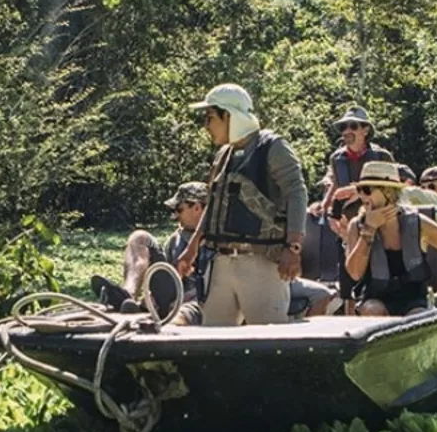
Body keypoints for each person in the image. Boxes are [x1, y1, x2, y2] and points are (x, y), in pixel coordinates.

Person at [177, 83, 308, 325]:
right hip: (221, 264)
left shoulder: (273, 147)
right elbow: (215, 203)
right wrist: (193, 247)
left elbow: (296, 193)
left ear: (229, 115)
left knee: (269, 344)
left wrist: (293, 247)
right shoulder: (224, 155)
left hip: (261, 264)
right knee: (212, 344)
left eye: (210, 117)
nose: (206, 126)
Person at [346, 162, 437, 316]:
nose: (362, 196)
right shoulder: (356, 226)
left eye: (367, 190)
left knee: (417, 316)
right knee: (372, 310)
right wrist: (369, 230)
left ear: (388, 192)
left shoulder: (417, 223)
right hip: (375, 299)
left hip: (414, 300)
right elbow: (354, 273)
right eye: (359, 190)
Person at [90, 181, 212, 318]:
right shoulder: (176, 239)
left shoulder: (222, 242)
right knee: (139, 237)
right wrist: (151, 297)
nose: (175, 216)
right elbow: (166, 275)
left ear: (196, 208)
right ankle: (127, 295)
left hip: (200, 302)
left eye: (179, 210)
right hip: (173, 295)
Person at [314, 106, 395, 220]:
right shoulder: (336, 159)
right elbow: (337, 184)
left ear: (365, 130)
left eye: (353, 126)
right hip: (346, 223)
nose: (347, 131)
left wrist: (358, 191)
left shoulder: (382, 156)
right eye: (343, 127)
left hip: (378, 220)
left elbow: (392, 191)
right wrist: (325, 205)